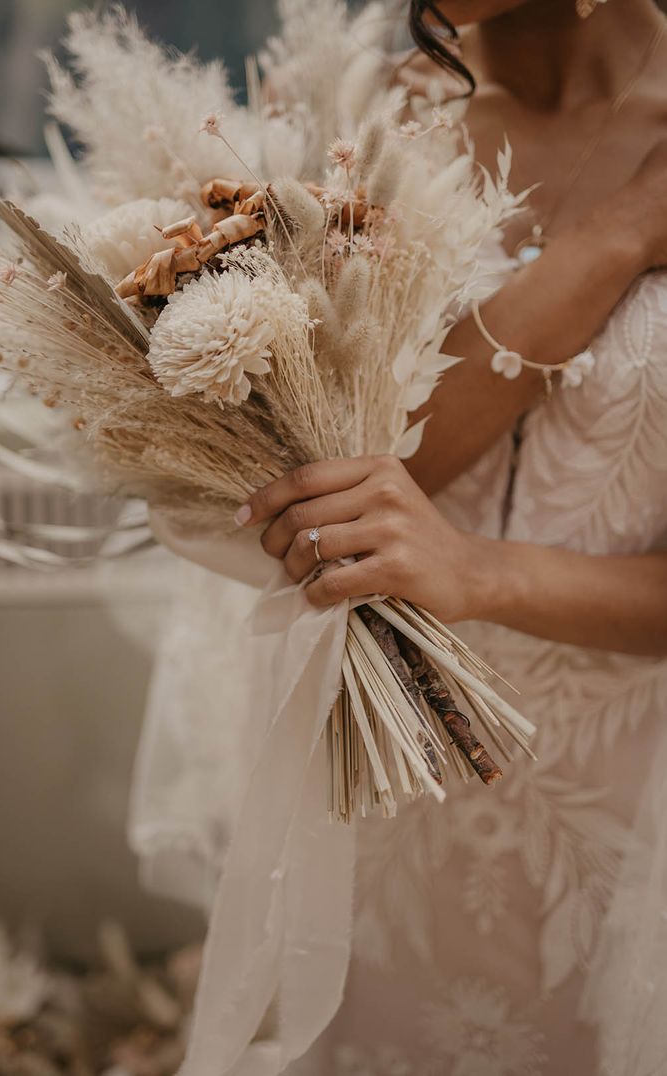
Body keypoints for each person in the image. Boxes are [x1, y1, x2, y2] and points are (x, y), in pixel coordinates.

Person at [234, 1, 667, 1072]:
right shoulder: (339, 120)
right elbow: (324, 471)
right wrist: (620, 235)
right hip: (381, 774)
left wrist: (482, 571)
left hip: (636, 799)